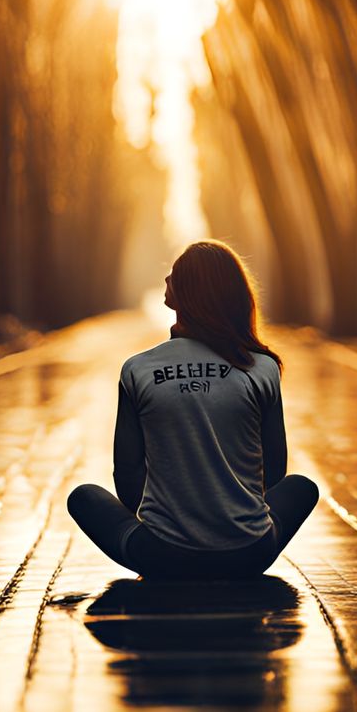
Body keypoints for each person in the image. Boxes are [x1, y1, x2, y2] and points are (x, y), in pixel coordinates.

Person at [67, 240, 319, 580]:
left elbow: (127, 475)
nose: (167, 277)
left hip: (162, 557)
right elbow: (274, 470)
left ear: (182, 293)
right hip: (249, 554)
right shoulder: (262, 368)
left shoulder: (138, 369)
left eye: (175, 273)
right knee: (302, 487)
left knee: (84, 497)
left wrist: (174, 520)